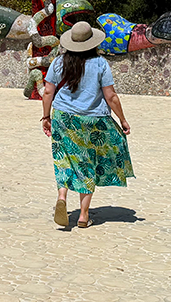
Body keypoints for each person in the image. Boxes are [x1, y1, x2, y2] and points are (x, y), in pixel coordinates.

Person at [41, 21, 133, 228]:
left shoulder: (57, 63)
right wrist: (122, 119)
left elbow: (48, 92)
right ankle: (83, 216)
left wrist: (46, 117)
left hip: (63, 118)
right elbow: (111, 96)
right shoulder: (100, 64)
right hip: (92, 121)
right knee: (87, 163)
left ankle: (62, 196)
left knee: (63, 158)